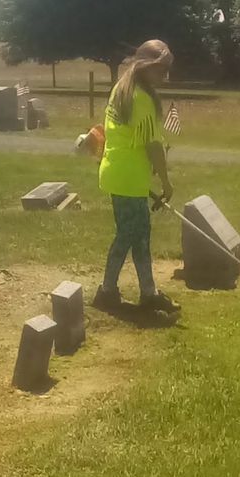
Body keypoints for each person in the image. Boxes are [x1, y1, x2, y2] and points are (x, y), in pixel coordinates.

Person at [94, 39, 178, 311]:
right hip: (128, 177)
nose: (164, 77)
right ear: (146, 67)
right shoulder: (141, 99)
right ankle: (107, 291)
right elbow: (153, 146)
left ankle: (147, 292)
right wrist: (166, 182)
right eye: (161, 70)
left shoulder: (122, 87)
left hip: (119, 173)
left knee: (138, 235)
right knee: (129, 235)